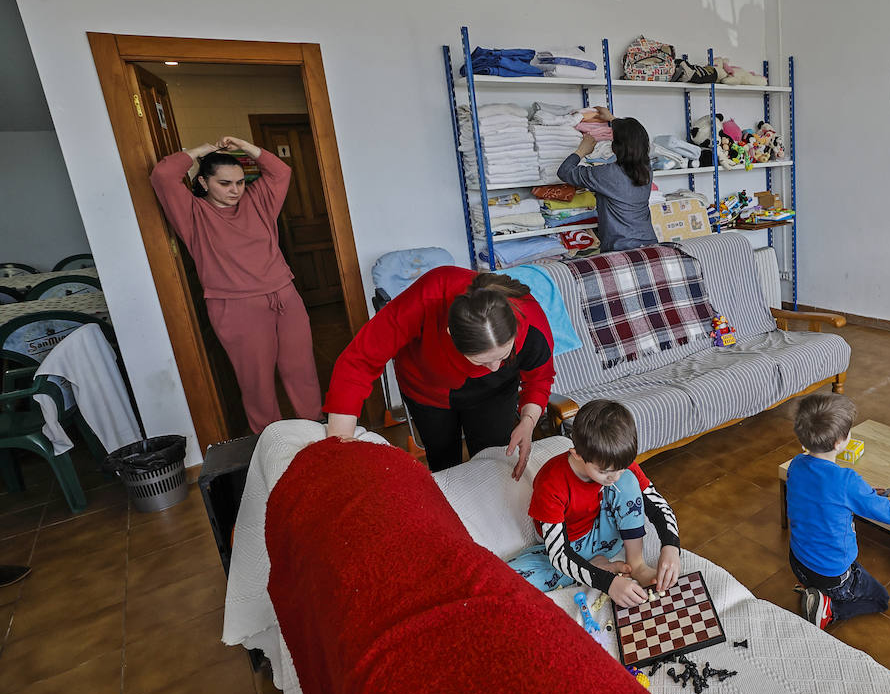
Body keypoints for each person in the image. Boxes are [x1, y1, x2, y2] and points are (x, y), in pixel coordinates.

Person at [150, 136, 322, 433]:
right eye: (225, 183)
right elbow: (163, 175)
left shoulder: (257, 201)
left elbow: (281, 172)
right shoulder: (193, 214)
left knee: (302, 371)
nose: (235, 191)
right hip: (236, 307)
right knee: (256, 383)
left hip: (284, 295)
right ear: (203, 183)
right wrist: (204, 149)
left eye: (240, 182)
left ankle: (317, 435)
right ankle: (272, 446)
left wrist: (245, 146)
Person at [324, 268, 553, 479]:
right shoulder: (428, 298)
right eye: (482, 361)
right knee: (443, 461)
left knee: (492, 458)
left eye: (503, 357)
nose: (494, 368)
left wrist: (528, 421)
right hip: (426, 389)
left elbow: (539, 379)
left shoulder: (531, 320)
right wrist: (340, 445)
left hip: (496, 393)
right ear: (450, 334)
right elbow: (358, 361)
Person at [509, 399, 680, 609]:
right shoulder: (551, 482)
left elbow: (658, 504)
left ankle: (636, 564)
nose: (614, 477)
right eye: (604, 471)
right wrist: (608, 583)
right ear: (577, 454)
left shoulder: (616, 466)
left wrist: (671, 546)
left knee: (628, 480)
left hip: (606, 537)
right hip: (567, 546)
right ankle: (595, 567)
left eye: (620, 467)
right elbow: (558, 554)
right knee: (511, 581)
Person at [787, 392, 890, 630]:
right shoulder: (846, 480)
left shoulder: (796, 463)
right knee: (880, 599)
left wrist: (863, 494)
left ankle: (810, 588)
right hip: (830, 575)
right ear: (839, 442)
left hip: (798, 561)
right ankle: (829, 611)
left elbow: (821, 495)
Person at [557, 106, 658, 252]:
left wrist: (581, 151)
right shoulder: (646, 169)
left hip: (621, 249)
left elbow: (565, 172)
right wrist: (612, 119)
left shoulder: (607, 174)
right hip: (649, 244)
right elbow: (632, 136)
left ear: (615, 147)